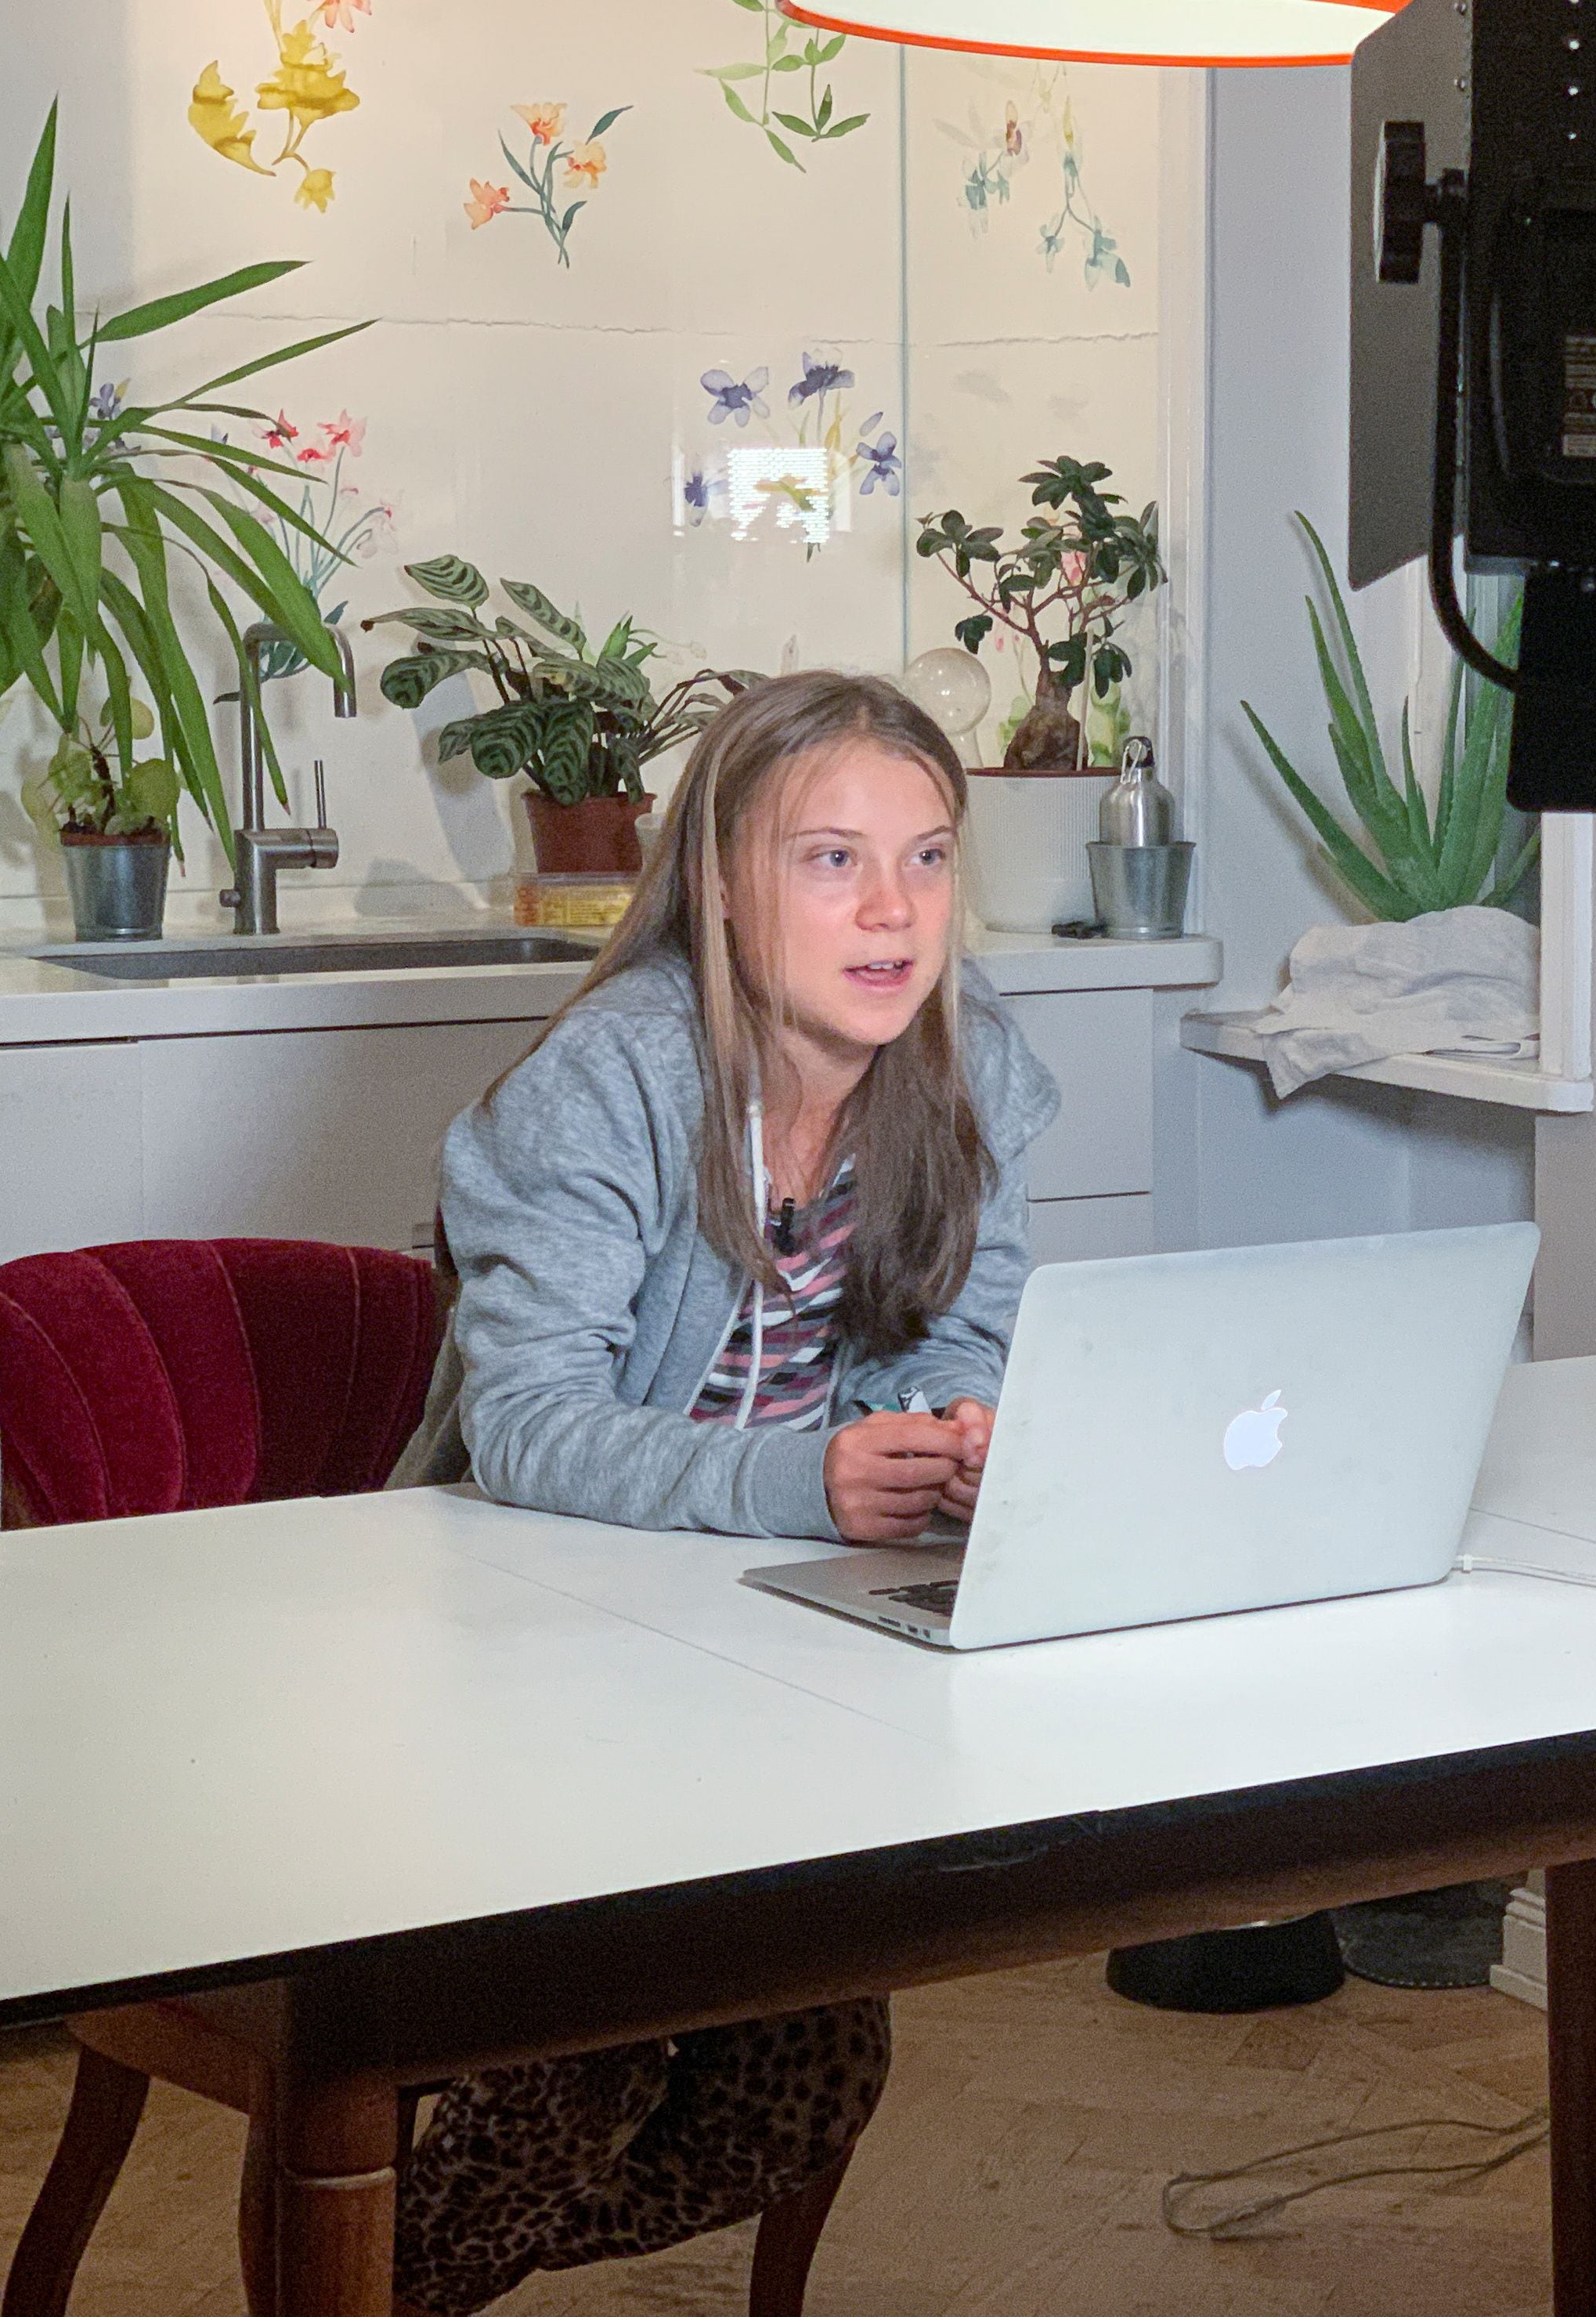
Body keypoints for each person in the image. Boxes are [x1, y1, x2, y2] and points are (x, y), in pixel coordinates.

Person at [387, 667, 1057, 2314]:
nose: (893, 909)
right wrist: (808, 1480)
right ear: (719, 882)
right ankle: (372, 2278)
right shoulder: (607, 1081)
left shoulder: (976, 1069)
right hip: (528, 1638)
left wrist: (943, 1433)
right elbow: (527, 1430)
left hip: (764, 1639)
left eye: (927, 855)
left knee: (810, 2066)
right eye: (831, 859)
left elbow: (955, 1335)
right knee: (576, 2079)